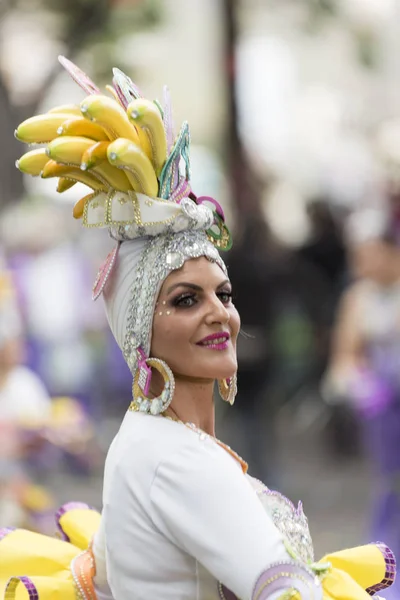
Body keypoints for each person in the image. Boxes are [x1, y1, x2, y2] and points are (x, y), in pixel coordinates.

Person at [0, 58, 396, 600]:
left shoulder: (145, 440)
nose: (218, 313)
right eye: (185, 300)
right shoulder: (180, 461)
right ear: (139, 332)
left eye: (223, 294)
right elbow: (281, 588)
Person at [325, 208, 400, 600]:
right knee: (390, 491)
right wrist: (363, 385)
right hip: (385, 418)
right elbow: (344, 360)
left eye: (370, 253)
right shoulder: (358, 299)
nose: (363, 263)